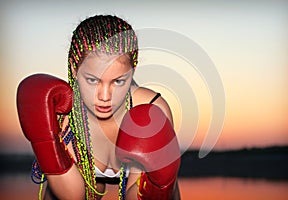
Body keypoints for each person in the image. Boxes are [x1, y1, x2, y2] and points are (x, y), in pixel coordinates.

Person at [17, 15, 181, 200]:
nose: (104, 97)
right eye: (92, 80)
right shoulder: (64, 112)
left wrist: (158, 186)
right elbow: (71, 196)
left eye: (118, 81)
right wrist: (44, 143)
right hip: (82, 181)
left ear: (132, 72)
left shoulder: (152, 109)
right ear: (74, 69)